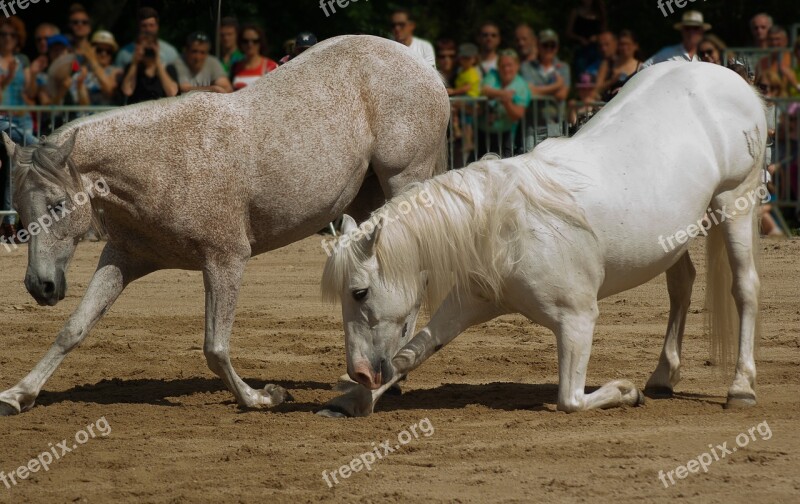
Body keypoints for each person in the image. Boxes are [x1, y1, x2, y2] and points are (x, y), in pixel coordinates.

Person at [0, 17, 37, 238]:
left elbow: (28, 97)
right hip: (2, 121)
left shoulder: (21, 63)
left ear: (18, 38)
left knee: (13, 168)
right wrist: (8, 79)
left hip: (20, 120)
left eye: (11, 35)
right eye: (3, 34)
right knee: (35, 145)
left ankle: (10, 222)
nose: (7, 39)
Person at [479, 49, 531, 158]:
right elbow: (484, 90)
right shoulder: (493, 74)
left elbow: (518, 114)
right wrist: (503, 94)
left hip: (508, 137)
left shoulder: (522, 86)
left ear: (517, 66)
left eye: (509, 65)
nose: (506, 69)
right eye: (503, 66)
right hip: (484, 135)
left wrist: (507, 103)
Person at [121, 32, 178, 104]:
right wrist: (134, 63)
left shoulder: (168, 68)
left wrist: (158, 62)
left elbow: (172, 93)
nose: (148, 52)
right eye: (145, 49)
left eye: (150, 48)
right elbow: (127, 91)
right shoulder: (131, 68)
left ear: (157, 47)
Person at [641, 10, 709, 68]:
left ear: (702, 31)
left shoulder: (708, 55)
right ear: (682, 30)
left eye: (696, 28)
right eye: (687, 28)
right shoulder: (667, 52)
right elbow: (644, 67)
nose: (691, 32)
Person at [116, 7, 180, 68]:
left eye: (151, 25)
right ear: (138, 27)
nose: (148, 29)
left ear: (157, 27)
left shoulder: (170, 52)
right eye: (144, 26)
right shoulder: (124, 54)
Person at [73, 30, 122, 105]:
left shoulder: (117, 71)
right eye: (99, 50)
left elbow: (109, 90)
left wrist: (92, 60)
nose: (104, 54)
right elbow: (83, 106)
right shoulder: (81, 72)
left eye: (108, 51)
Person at [520, 29, 570, 102]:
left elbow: (562, 94)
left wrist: (537, 90)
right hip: (532, 112)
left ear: (557, 48)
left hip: (556, 113)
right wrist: (557, 86)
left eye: (552, 46)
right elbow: (528, 92)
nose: (549, 49)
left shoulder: (564, 68)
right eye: (545, 45)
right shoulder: (526, 67)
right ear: (538, 46)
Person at [596, 29, 641, 101]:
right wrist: (611, 81)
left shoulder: (641, 67)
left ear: (635, 46)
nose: (624, 48)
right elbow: (596, 90)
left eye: (627, 44)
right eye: (621, 44)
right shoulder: (607, 64)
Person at [566, 0, 607, 76]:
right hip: (580, 49)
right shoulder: (576, 12)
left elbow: (604, 33)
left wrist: (597, 37)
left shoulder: (599, 13)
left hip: (596, 49)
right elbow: (569, 33)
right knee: (582, 73)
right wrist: (580, 39)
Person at [231, 25, 278, 91]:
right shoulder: (235, 67)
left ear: (260, 42)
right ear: (240, 43)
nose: (250, 44)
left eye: (255, 41)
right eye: (245, 41)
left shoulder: (271, 67)